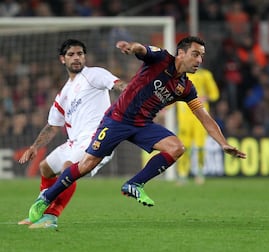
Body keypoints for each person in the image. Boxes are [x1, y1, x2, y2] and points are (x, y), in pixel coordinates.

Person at [27, 36, 246, 223]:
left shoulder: (186, 87)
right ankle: (45, 198)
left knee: (176, 147)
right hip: (117, 119)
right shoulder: (162, 58)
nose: (199, 60)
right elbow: (143, 50)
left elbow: (204, 116)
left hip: (143, 125)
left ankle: (134, 184)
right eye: (196, 54)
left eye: (201, 56)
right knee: (85, 165)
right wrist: (132, 48)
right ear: (181, 53)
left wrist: (223, 143)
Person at [18, 39, 124, 228]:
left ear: (85, 56)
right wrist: (35, 146)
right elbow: (52, 126)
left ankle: (50, 217)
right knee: (45, 167)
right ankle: (38, 213)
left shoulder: (93, 75)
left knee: (69, 169)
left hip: (97, 139)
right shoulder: (64, 93)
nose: (76, 58)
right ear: (62, 59)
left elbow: (119, 85)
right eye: (71, 54)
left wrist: (135, 95)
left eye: (80, 54)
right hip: (74, 141)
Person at [176, 67, 219, 184]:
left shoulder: (206, 75)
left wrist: (205, 97)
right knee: (184, 147)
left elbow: (215, 94)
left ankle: (200, 172)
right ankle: (182, 174)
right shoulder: (178, 75)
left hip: (200, 116)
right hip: (185, 117)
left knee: (200, 145)